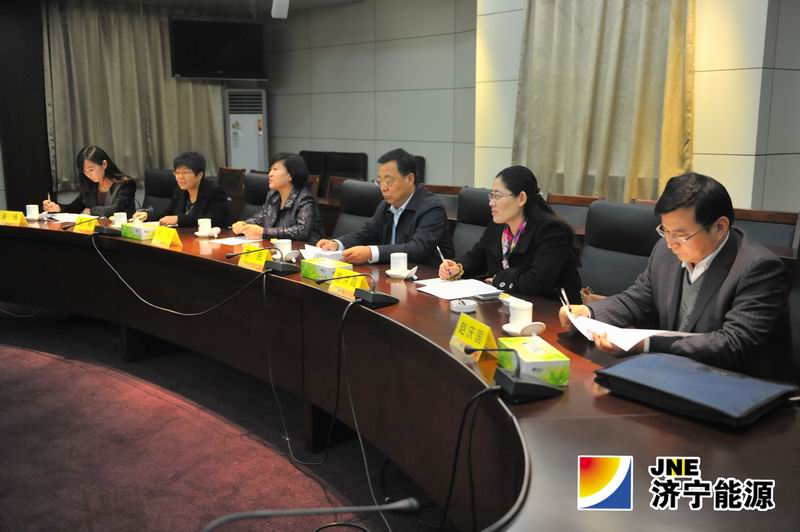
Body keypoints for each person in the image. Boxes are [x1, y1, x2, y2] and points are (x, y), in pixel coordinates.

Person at [558, 172, 791, 380]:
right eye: (665, 231)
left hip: (735, 386)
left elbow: (733, 344)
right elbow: (638, 300)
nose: (670, 243)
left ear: (719, 227)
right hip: (675, 374)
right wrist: (588, 313)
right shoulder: (665, 251)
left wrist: (646, 344)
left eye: (680, 235)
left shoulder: (758, 268)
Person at [438, 166, 581, 301]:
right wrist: (458, 267)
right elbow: (478, 257)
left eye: (497, 196)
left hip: (550, 311)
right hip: (507, 304)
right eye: (491, 196)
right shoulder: (498, 225)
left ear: (521, 198)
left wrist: (498, 279)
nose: (491, 203)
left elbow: (537, 282)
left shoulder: (552, 231)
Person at [316, 148, 454, 266]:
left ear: (410, 179)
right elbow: (366, 234)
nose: (383, 187)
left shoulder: (432, 208)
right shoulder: (386, 205)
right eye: (380, 181)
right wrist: (337, 244)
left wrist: (371, 252)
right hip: (391, 275)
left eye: (388, 181)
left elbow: (417, 249)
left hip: (427, 279)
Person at [231, 153, 324, 243]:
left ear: (291, 175)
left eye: (275, 169)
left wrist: (264, 232)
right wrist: (243, 225)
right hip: (277, 248)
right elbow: (259, 219)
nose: (270, 174)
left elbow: (302, 231)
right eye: (270, 170)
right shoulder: (273, 196)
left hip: (304, 250)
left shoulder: (305, 199)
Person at [132, 151, 228, 228]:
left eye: (186, 173)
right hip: (185, 237)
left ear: (199, 175)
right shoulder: (181, 191)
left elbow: (213, 220)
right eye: (177, 173)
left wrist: (178, 219)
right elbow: (166, 212)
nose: (180, 177)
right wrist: (147, 215)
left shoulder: (215, 191)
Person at [42, 145, 136, 217]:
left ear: (104, 164)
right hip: (95, 232)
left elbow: (115, 210)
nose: (88, 175)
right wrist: (57, 208)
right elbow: (74, 207)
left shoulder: (125, 184)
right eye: (85, 172)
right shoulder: (90, 185)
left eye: (91, 170)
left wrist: (91, 211)